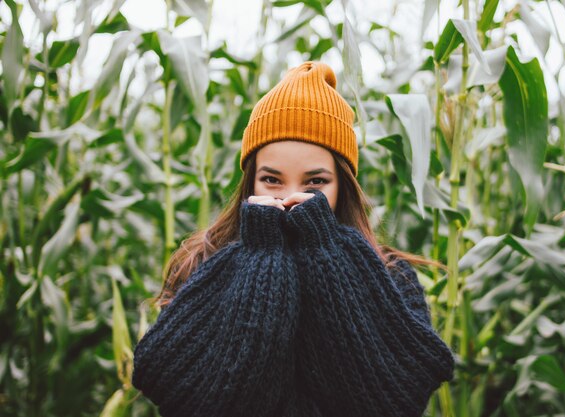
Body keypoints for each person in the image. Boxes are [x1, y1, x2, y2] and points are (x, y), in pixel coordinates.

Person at [131, 61, 454, 417]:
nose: (289, 197)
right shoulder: (201, 262)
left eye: (315, 182)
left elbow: (396, 402)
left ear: (341, 185)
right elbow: (176, 390)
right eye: (272, 180)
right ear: (251, 181)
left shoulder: (391, 275)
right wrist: (262, 259)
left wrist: (325, 253)